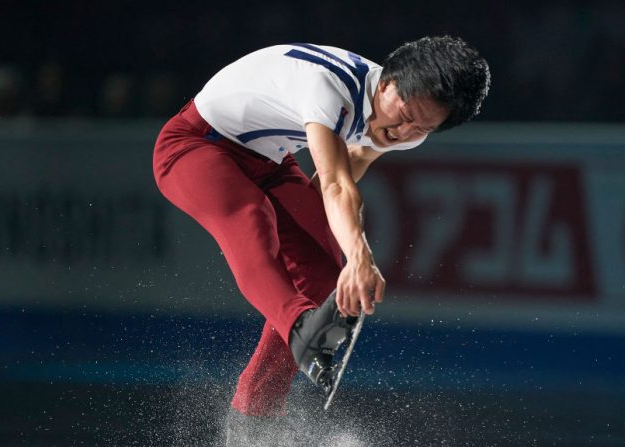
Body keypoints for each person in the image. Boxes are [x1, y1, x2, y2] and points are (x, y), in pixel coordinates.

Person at [152, 35, 490, 445]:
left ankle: (255, 409)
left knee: (327, 275)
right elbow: (334, 183)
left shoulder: (410, 124)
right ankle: (299, 327)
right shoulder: (328, 87)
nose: (402, 132)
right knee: (254, 219)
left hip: (269, 163)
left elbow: (351, 165)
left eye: (422, 128)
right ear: (386, 83)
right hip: (193, 146)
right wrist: (359, 255)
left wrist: (334, 256)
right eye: (403, 115)